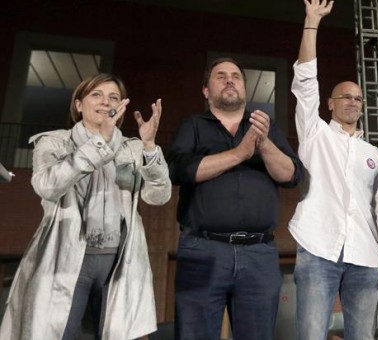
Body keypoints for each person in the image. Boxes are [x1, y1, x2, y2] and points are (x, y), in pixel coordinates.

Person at [0, 73, 171, 339]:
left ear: (121, 107)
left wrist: (149, 147)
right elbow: (46, 186)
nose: (106, 101)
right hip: (67, 262)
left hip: (118, 264)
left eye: (113, 97)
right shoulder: (54, 142)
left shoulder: (132, 148)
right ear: (79, 105)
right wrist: (99, 142)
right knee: (59, 333)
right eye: (97, 95)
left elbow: (159, 197)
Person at [167, 56, 303, 340]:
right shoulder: (193, 126)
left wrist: (263, 144)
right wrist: (240, 153)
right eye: (220, 76)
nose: (229, 80)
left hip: (259, 253)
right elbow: (179, 170)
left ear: (244, 88)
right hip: (202, 249)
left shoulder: (266, 127)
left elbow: (291, 175)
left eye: (236, 76)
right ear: (206, 91)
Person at [289, 0, 378, 339]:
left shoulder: (373, 154)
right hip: (319, 246)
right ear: (330, 103)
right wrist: (312, 22)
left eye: (358, 98)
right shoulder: (314, 133)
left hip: (365, 254)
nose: (352, 102)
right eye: (344, 96)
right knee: (312, 334)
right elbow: (305, 80)